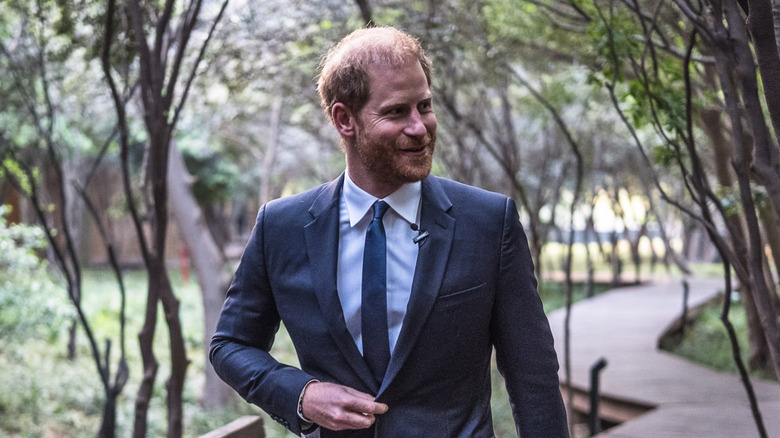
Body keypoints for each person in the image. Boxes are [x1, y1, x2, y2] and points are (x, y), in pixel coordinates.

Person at [210, 26, 569, 438]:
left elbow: (533, 374)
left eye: (425, 106)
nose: (420, 127)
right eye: (397, 111)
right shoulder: (281, 226)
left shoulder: (489, 221)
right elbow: (230, 346)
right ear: (345, 119)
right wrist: (304, 394)